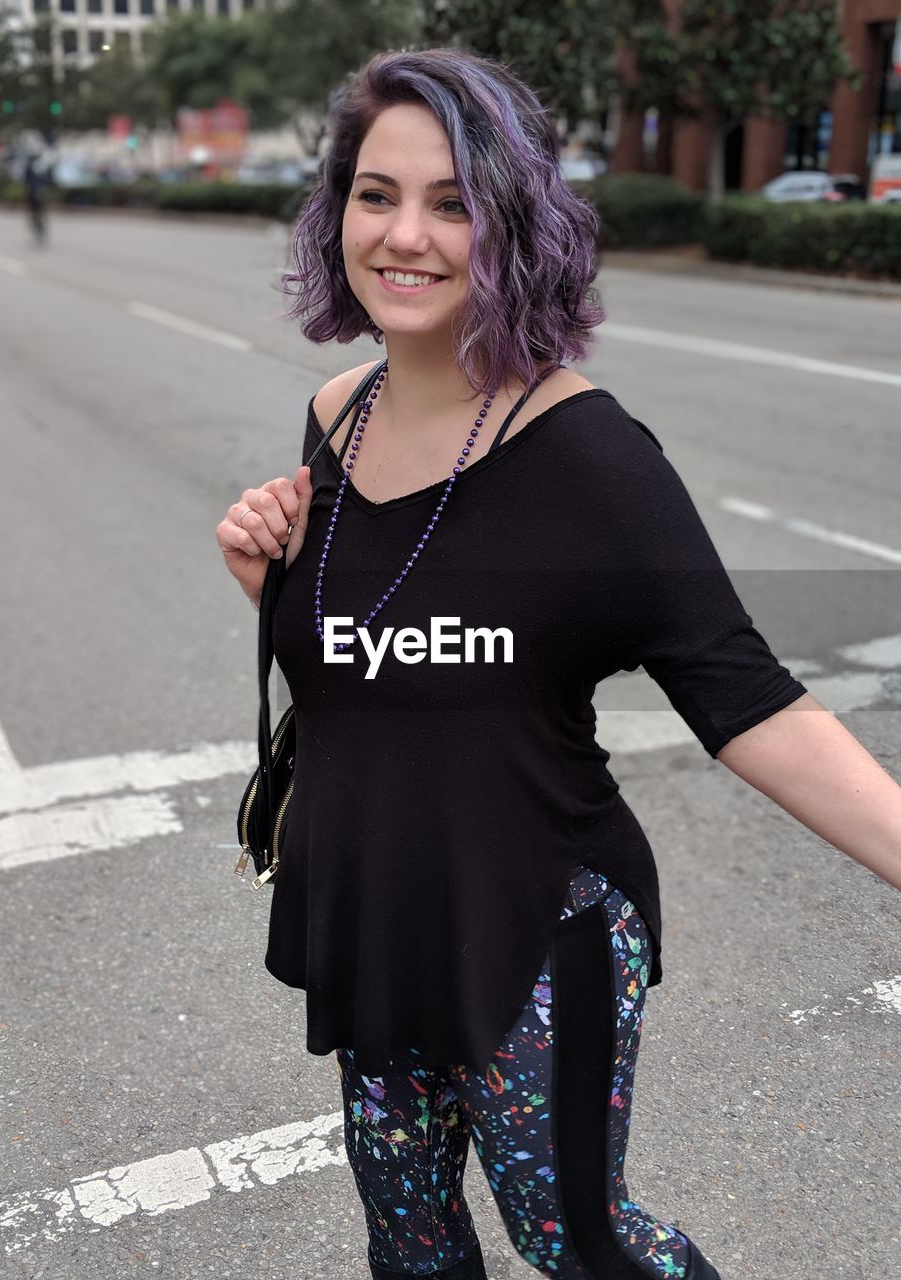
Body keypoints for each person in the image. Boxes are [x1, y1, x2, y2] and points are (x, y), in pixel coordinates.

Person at [216, 48, 901, 1280]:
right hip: (379, 914)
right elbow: (367, 662)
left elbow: (750, 699)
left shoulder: (591, 456)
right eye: (377, 194)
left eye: (454, 201)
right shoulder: (336, 413)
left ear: (514, 224)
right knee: (411, 1244)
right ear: (337, 213)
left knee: (577, 1237)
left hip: (543, 923)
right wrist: (268, 573)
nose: (406, 235)